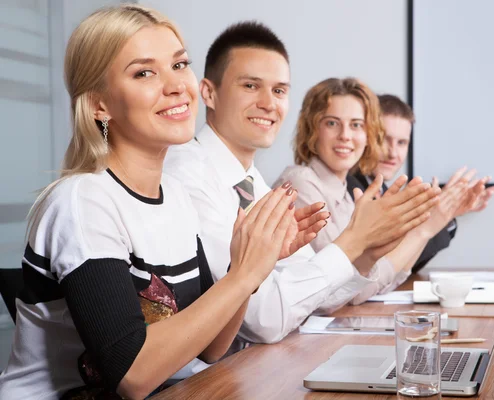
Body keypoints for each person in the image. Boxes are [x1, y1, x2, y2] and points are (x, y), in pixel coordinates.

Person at [0, 6, 296, 399]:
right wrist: (242, 276)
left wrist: (253, 267)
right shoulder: (83, 200)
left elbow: (209, 348)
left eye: (179, 64)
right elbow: (133, 375)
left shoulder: (174, 194)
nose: (176, 86)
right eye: (144, 72)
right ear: (98, 106)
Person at [164, 21, 440, 345]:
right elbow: (264, 319)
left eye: (279, 90)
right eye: (251, 86)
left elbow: (317, 293)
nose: (269, 103)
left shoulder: (254, 183)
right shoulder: (187, 175)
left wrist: (365, 254)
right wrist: (356, 240)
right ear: (209, 93)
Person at [276, 77, 467, 304]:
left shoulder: (347, 193)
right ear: (311, 130)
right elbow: (343, 292)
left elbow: (379, 281)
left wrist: (422, 227)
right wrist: (423, 230)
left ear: (368, 135)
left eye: (356, 125)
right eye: (332, 123)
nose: (345, 135)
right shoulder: (300, 185)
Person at [347, 94, 494, 273]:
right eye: (383, 140)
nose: (393, 153)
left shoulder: (382, 189)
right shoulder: (350, 188)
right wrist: (437, 217)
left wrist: (446, 213)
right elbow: (381, 268)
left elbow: (405, 266)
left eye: (402, 143)